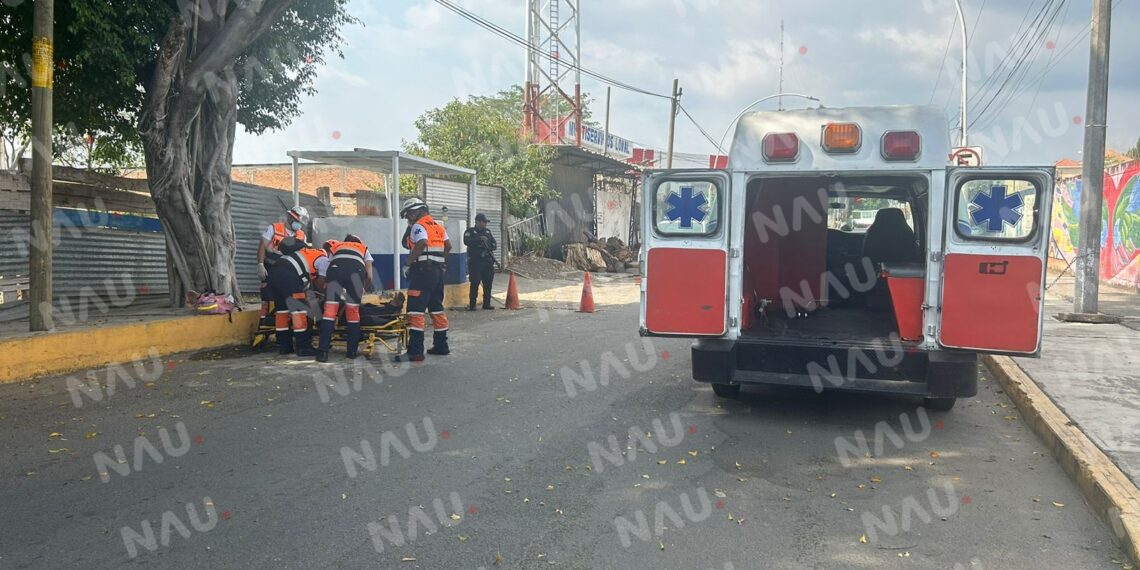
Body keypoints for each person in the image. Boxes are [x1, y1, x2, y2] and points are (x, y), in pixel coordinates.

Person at [399, 197, 451, 362]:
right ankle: (441, 346)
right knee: (436, 309)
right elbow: (448, 246)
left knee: (415, 311)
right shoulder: (438, 226)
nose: (408, 217)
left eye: (409, 214)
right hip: (437, 274)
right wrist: (442, 261)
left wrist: (408, 263)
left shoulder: (418, 226)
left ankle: (415, 351)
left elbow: (421, 243)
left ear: (418, 211)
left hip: (422, 273)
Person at [316, 235, 374, 362]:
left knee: (329, 313)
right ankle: (351, 352)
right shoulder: (364, 248)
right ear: (358, 242)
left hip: (336, 271)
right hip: (356, 271)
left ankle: (323, 353)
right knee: (353, 313)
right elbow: (369, 276)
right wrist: (362, 288)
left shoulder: (337, 246)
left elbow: (326, 271)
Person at [267, 236, 327, 358]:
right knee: (300, 312)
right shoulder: (299, 258)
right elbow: (305, 279)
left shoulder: (281, 258)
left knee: (282, 312)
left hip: (274, 279)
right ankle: (303, 347)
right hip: (290, 281)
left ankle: (285, 346)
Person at [257, 206, 309, 326]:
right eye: (297, 222)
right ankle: (263, 324)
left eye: (300, 223)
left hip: (291, 270)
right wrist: (260, 264)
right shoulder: (274, 228)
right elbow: (262, 247)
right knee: (267, 297)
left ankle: (287, 324)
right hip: (271, 266)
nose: (298, 225)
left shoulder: (301, 235)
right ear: (290, 218)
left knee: (289, 298)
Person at [463, 213, 497, 311]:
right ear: (478, 222)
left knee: (488, 283)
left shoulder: (487, 232)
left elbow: (494, 245)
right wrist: (479, 240)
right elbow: (466, 241)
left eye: (486, 222)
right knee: (475, 282)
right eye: (484, 222)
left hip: (487, 261)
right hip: (475, 262)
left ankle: (487, 304)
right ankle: (472, 304)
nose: (485, 224)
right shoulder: (470, 232)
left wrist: (487, 244)